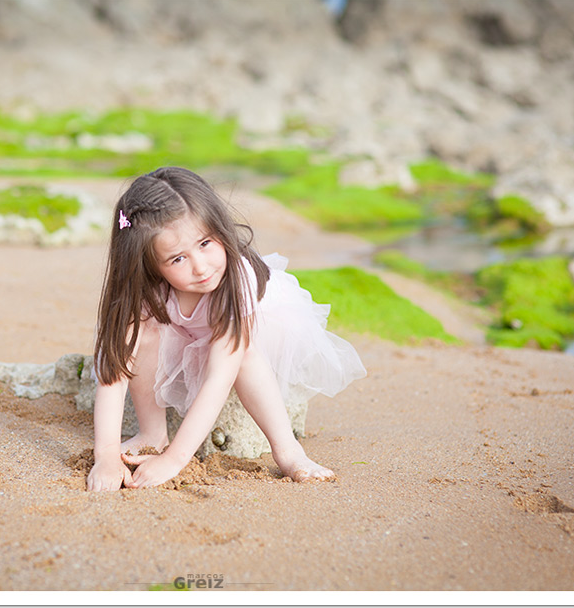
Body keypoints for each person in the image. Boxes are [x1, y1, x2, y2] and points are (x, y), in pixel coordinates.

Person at [87, 167, 366, 491]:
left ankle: (289, 451)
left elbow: (220, 376)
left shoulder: (237, 277)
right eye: (177, 259)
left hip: (248, 335)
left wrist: (175, 459)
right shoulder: (145, 289)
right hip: (185, 332)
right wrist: (105, 454)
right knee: (143, 333)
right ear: (150, 264)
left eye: (205, 243)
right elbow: (115, 371)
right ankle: (152, 433)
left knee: (243, 352)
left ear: (220, 228)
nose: (201, 266)